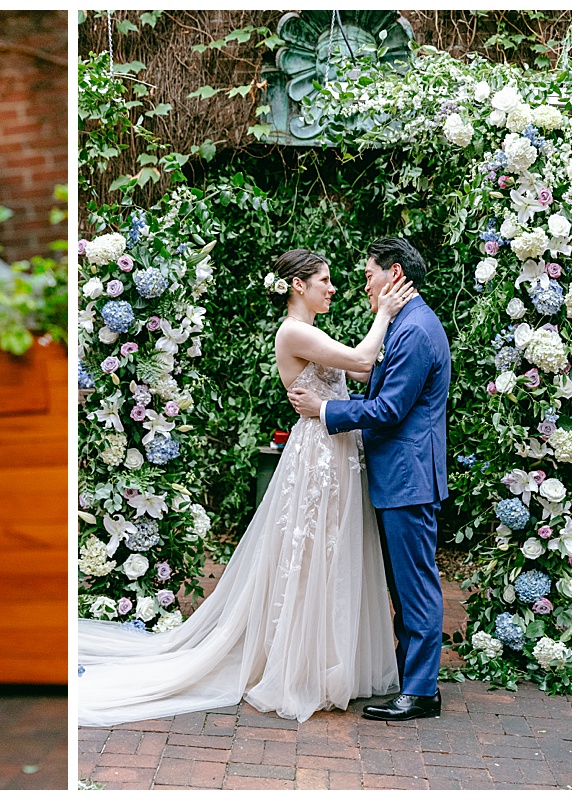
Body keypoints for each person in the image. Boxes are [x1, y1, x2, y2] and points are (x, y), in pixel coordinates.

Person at [78, 248, 418, 727]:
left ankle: (326, 661)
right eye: (324, 279)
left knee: (332, 553)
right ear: (298, 285)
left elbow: (363, 370)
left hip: (336, 448)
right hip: (318, 455)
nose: (333, 287)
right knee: (309, 556)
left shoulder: (313, 331)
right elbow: (364, 357)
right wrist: (386, 311)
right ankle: (301, 667)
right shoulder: (294, 331)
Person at [289, 237, 451, 722]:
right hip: (396, 474)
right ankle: (414, 681)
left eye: (367, 276)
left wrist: (325, 410)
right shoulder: (402, 324)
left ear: (393, 274)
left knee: (416, 587)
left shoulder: (417, 330)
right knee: (404, 587)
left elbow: (390, 408)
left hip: (408, 476)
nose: (362, 285)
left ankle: (421, 693)